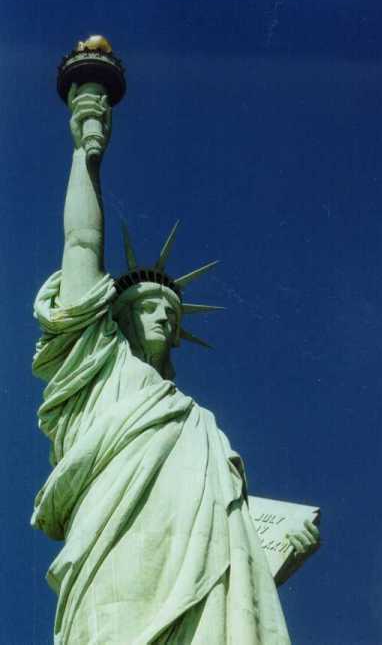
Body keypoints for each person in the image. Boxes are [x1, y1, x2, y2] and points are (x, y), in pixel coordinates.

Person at [32, 86, 319, 644]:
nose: (163, 316)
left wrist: (277, 548)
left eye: (171, 311)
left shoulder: (198, 423)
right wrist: (86, 150)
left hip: (198, 587)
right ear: (114, 317)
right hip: (113, 559)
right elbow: (81, 243)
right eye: (148, 306)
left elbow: (223, 546)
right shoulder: (98, 372)